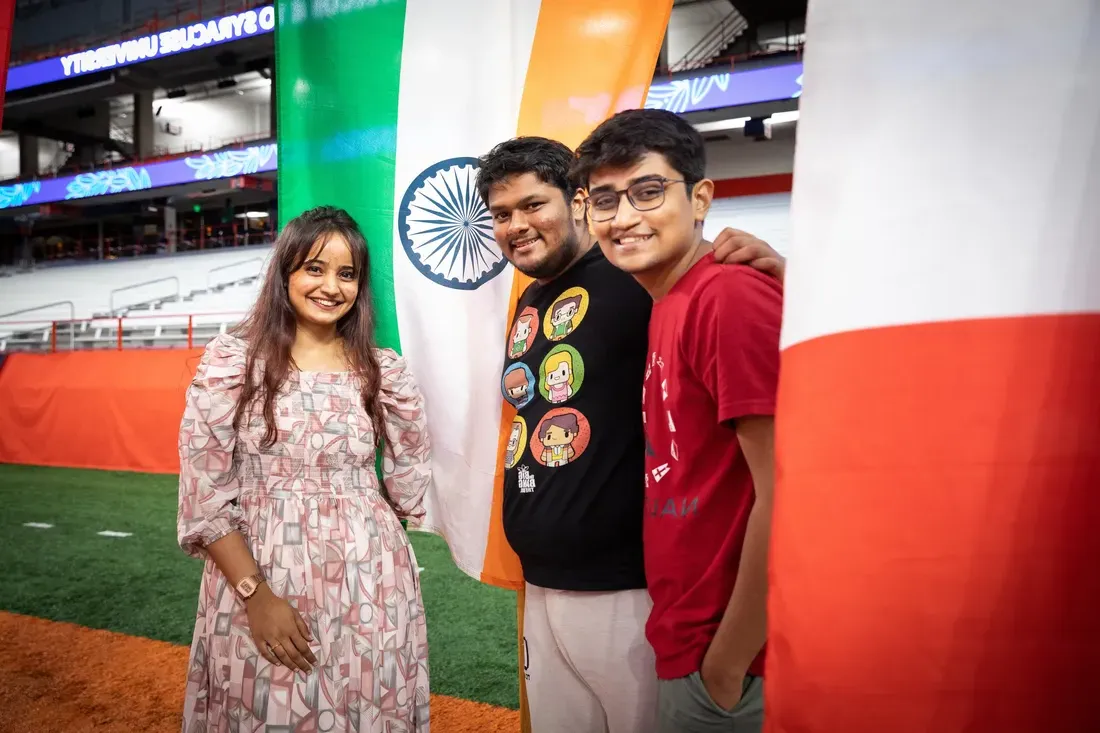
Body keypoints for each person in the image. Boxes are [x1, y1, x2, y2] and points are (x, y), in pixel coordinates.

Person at [476, 136, 784, 733]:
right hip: (545, 581)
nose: (518, 225)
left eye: (534, 205)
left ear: (575, 201)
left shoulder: (634, 278)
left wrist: (781, 271)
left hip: (628, 586)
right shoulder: (537, 294)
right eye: (502, 214)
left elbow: (733, 312)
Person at [177, 206, 432, 732]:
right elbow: (203, 493)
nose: (331, 286)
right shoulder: (234, 362)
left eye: (347, 273)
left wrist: (369, 536)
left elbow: (410, 474)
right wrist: (257, 596)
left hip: (372, 585)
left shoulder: (381, 370)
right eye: (315, 268)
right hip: (262, 575)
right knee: (268, 707)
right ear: (285, 272)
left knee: (370, 706)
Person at [571, 108, 781, 733]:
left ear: (701, 198)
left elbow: (791, 492)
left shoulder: (728, 297)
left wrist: (729, 660)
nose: (624, 217)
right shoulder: (670, 299)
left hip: (734, 663)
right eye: (605, 199)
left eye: (648, 191)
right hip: (692, 639)